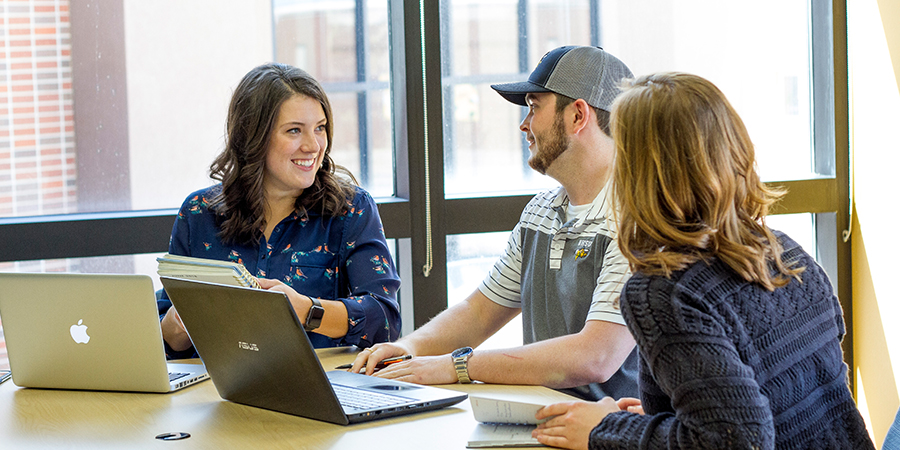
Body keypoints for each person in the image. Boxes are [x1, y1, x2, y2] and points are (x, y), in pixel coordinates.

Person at [531, 72, 875, 449]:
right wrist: (681, 418)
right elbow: (790, 400)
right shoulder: (785, 251)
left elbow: (736, 442)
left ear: (640, 172)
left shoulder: (664, 292)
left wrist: (606, 430)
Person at [350, 46, 639, 402]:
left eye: (534, 107)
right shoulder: (540, 212)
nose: (523, 124)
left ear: (578, 116)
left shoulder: (637, 218)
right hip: (547, 421)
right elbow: (480, 312)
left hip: (611, 432)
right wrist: (408, 348)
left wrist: (458, 366)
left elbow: (595, 357)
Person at [158, 63, 401, 359]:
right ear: (253, 136)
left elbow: (384, 321)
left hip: (320, 390)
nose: (313, 146)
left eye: (320, 128)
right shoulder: (199, 213)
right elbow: (164, 337)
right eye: (294, 131)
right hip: (215, 392)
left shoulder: (351, 210)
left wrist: (307, 310)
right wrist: (179, 323)